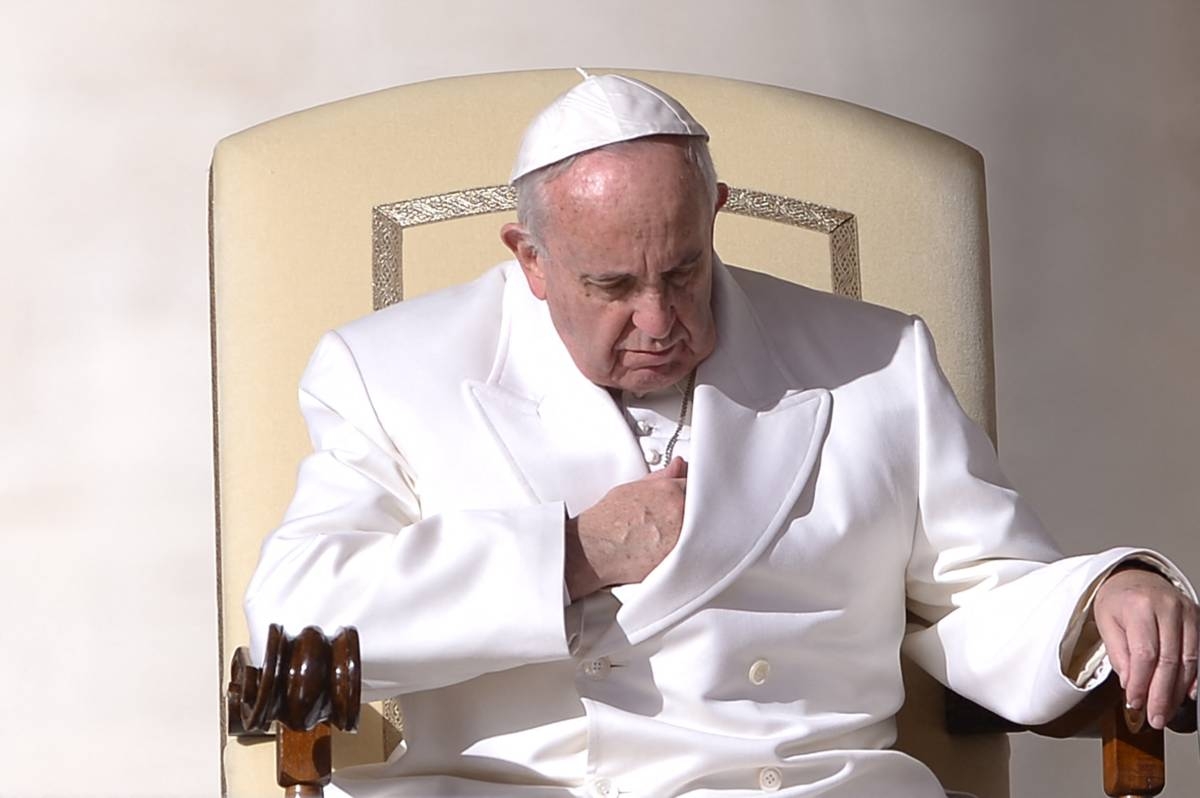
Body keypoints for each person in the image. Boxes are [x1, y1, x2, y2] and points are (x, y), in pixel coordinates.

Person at [245, 74, 1198, 797]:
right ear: (529, 259)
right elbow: (294, 624)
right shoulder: (389, 371)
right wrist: (571, 555)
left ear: (717, 213)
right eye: (611, 287)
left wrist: (1103, 595)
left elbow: (983, 593)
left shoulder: (875, 360)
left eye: (685, 271)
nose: (658, 319)